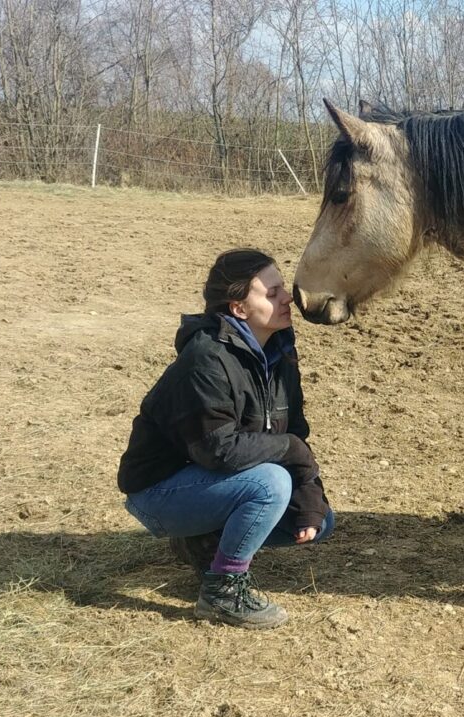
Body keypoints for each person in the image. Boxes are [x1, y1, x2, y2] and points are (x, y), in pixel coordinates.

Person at [117, 249, 334, 630]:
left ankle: (201, 541)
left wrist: (310, 499)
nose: (287, 298)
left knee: (320, 520)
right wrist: (293, 453)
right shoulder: (207, 358)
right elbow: (218, 449)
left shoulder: (280, 354)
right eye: (271, 292)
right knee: (271, 485)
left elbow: (293, 432)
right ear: (238, 308)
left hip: (207, 482)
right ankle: (223, 590)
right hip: (158, 492)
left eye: (282, 287)